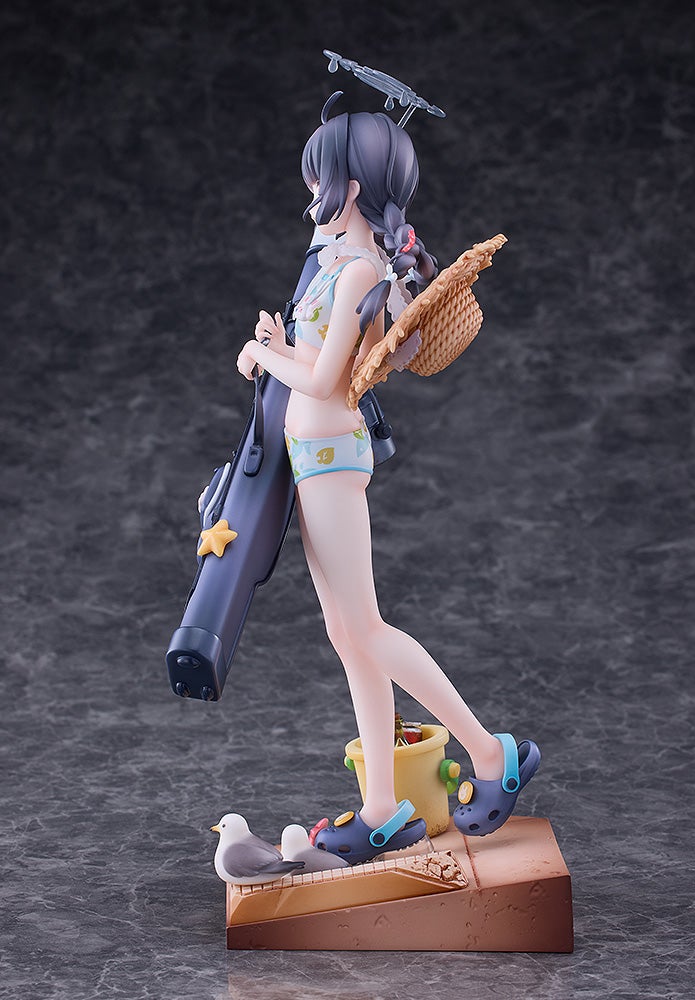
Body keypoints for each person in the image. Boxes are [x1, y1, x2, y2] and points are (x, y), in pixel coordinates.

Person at [237, 97, 539, 863]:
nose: (312, 192)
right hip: (313, 457)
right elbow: (325, 362)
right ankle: (382, 809)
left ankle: (491, 752)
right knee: (347, 635)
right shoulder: (338, 265)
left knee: (366, 628)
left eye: (321, 178)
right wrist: (281, 342)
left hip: (334, 456)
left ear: (351, 186)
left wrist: (262, 355)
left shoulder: (360, 270)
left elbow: (328, 380)